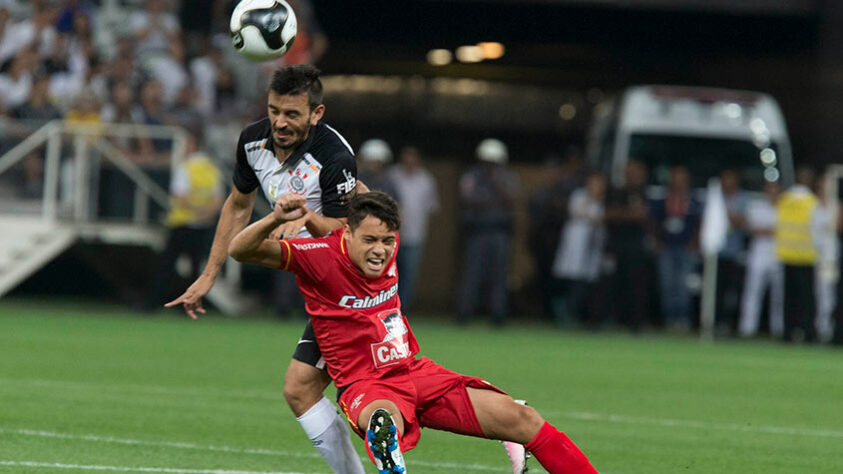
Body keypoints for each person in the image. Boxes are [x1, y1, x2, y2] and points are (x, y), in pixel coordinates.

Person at [228, 191, 598, 474]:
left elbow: (360, 221)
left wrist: (317, 215)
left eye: (387, 241)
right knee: (381, 421)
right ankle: (386, 449)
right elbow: (240, 250)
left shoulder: (385, 242)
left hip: (416, 372)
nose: (381, 251)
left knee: (524, 421)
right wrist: (274, 218)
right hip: (367, 385)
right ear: (348, 234)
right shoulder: (319, 257)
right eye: (370, 240)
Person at [165, 65, 366, 474]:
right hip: (321, 286)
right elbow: (238, 205)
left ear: (317, 113)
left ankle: (507, 421)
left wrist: (307, 218)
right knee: (304, 390)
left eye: (292, 113)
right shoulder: (252, 140)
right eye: (274, 110)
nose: (280, 122)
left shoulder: (335, 157)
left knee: (360, 394)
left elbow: (347, 232)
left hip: (354, 285)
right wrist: (208, 275)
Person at [142, 131, 223, 312]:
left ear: (193, 146)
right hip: (203, 225)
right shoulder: (212, 169)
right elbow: (218, 201)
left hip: (182, 223)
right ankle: (190, 305)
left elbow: (180, 198)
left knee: (167, 265)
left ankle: (154, 303)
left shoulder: (185, 168)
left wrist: (194, 212)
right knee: (195, 269)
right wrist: (204, 213)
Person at [457, 138, 520, 326]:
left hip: (499, 231)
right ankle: (464, 313)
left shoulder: (507, 177)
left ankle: (497, 315)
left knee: (498, 275)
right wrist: (492, 201)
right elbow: (469, 199)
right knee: (472, 274)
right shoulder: (472, 176)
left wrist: (495, 184)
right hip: (478, 232)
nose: (490, 166)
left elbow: (512, 199)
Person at [550, 171, 607, 327]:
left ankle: (581, 316)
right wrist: (592, 202)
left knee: (589, 282)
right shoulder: (579, 196)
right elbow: (580, 212)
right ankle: (565, 313)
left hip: (594, 246)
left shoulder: (604, 200)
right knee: (572, 280)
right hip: (576, 245)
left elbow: (602, 219)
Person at [386, 146, 439, 312]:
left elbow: (431, 208)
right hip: (391, 235)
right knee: (388, 274)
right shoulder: (392, 176)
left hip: (415, 235)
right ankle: (385, 307)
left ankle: (402, 310)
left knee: (409, 275)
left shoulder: (426, 180)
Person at [650, 166, 701, 330]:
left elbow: (699, 224)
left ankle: (682, 318)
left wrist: (695, 242)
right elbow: (654, 223)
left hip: (686, 248)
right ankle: (669, 318)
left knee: (683, 284)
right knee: (667, 284)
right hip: (667, 247)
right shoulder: (662, 200)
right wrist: (657, 242)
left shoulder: (694, 201)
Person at [603, 159, 651, 331]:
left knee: (636, 285)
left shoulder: (643, 193)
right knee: (610, 283)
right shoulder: (615, 191)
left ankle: (635, 324)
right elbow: (607, 215)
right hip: (615, 245)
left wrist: (622, 214)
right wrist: (629, 214)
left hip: (635, 247)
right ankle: (607, 320)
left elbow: (642, 216)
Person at [776, 167, 821, 342]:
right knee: (807, 299)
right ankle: (808, 332)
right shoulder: (812, 202)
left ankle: (788, 332)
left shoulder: (784, 200)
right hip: (806, 254)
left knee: (788, 298)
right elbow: (817, 228)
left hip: (786, 253)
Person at [738, 181, 784, 338]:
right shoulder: (757, 207)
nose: (773, 193)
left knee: (779, 295)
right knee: (753, 292)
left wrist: (771, 230)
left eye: (776, 190)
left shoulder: (785, 208)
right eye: (770, 190)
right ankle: (747, 328)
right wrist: (775, 230)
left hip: (779, 255)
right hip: (758, 255)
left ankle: (778, 329)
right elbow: (754, 229)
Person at [715, 169, 748, 334]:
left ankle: (727, 323)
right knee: (716, 290)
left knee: (732, 291)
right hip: (716, 253)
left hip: (733, 252)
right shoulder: (716, 197)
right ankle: (713, 321)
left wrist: (726, 218)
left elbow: (742, 221)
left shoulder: (742, 198)